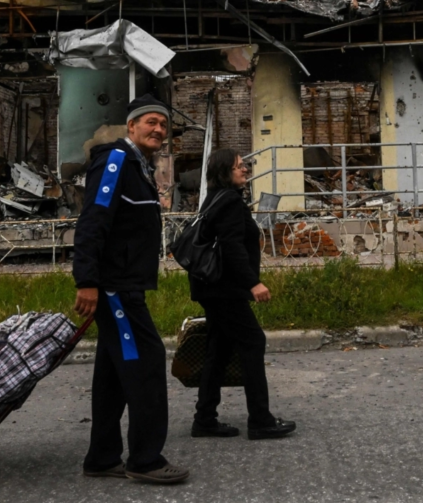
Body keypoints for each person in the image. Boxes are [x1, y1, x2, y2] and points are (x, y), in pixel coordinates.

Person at [72, 94, 189, 484]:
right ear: (132, 127)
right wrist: (87, 281)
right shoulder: (117, 160)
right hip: (114, 288)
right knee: (146, 365)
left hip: (123, 285)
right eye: (150, 122)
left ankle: (103, 457)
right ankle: (145, 460)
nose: (158, 129)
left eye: (163, 124)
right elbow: (93, 221)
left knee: (112, 372)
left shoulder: (139, 166)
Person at [188, 148, 297, 441]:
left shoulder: (215, 199)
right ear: (225, 172)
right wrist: (253, 283)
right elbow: (231, 247)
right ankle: (260, 420)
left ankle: (205, 419)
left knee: (219, 349)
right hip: (224, 289)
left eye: (245, 165)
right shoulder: (230, 203)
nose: (245, 170)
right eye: (239, 167)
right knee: (253, 341)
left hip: (212, 287)